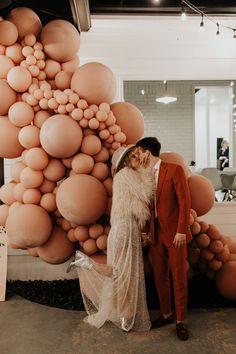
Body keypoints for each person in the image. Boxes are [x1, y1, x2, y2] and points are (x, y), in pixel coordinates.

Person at [68, 145, 153, 332]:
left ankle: (85, 263)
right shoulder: (125, 175)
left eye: (135, 153)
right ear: (124, 161)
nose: (136, 156)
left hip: (124, 228)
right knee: (123, 275)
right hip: (124, 229)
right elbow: (146, 194)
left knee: (120, 273)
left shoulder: (126, 176)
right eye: (131, 155)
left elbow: (137, 204)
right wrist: (147, 171)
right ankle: (125, 314)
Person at [135, 137, 192, 341]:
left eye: (139, 152)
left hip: (175, 235)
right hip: (155, 235)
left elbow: (185, 202)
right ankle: (167, 314)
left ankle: (180, 321)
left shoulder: (174, 169)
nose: (138, 156)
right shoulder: (144, 175)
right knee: (160, 276)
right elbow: (145, 206)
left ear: (147, 153)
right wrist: (144, 230)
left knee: (178, 276)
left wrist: (181, 231)